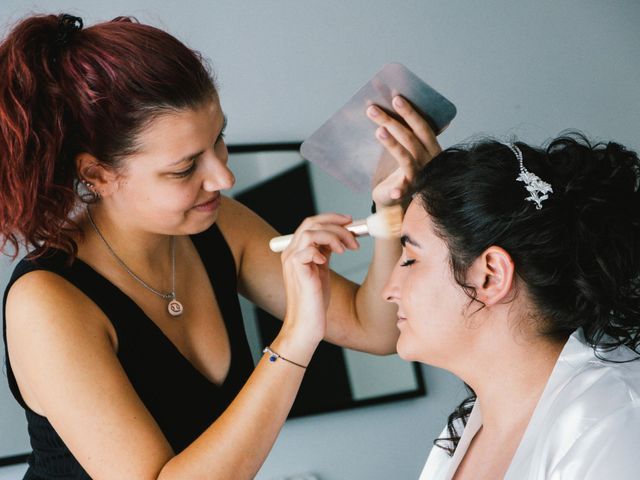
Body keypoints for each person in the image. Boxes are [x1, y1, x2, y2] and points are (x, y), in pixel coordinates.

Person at [0, 13, 439, 480]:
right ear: (97, 174)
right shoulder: (47, 302)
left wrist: (391, 208)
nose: (223, 178)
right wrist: (295, 337)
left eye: (220, 140)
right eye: (185, 168)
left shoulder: (219, 226)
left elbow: (376, 330)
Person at [376, 132, 640, 478]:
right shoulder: (464, 430)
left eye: (410, 259)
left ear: (491, 276)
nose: (389, 291)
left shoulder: (612, 420)